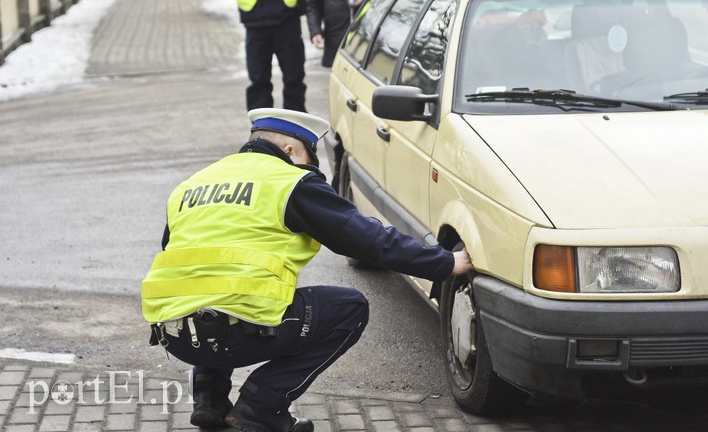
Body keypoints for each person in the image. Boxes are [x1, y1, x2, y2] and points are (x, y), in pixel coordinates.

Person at [141, 108, 473, 432]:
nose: (311, 170)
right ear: (289, 150)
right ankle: (261, 406)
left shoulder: (194, 183)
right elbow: (370, 241)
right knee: (350, 308)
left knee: (210, 290)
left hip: (175, 336)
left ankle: (209, 399)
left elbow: (177, 253)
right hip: (236, 335)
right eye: (309, 160)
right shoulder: (290, 182)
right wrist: (444, 262)